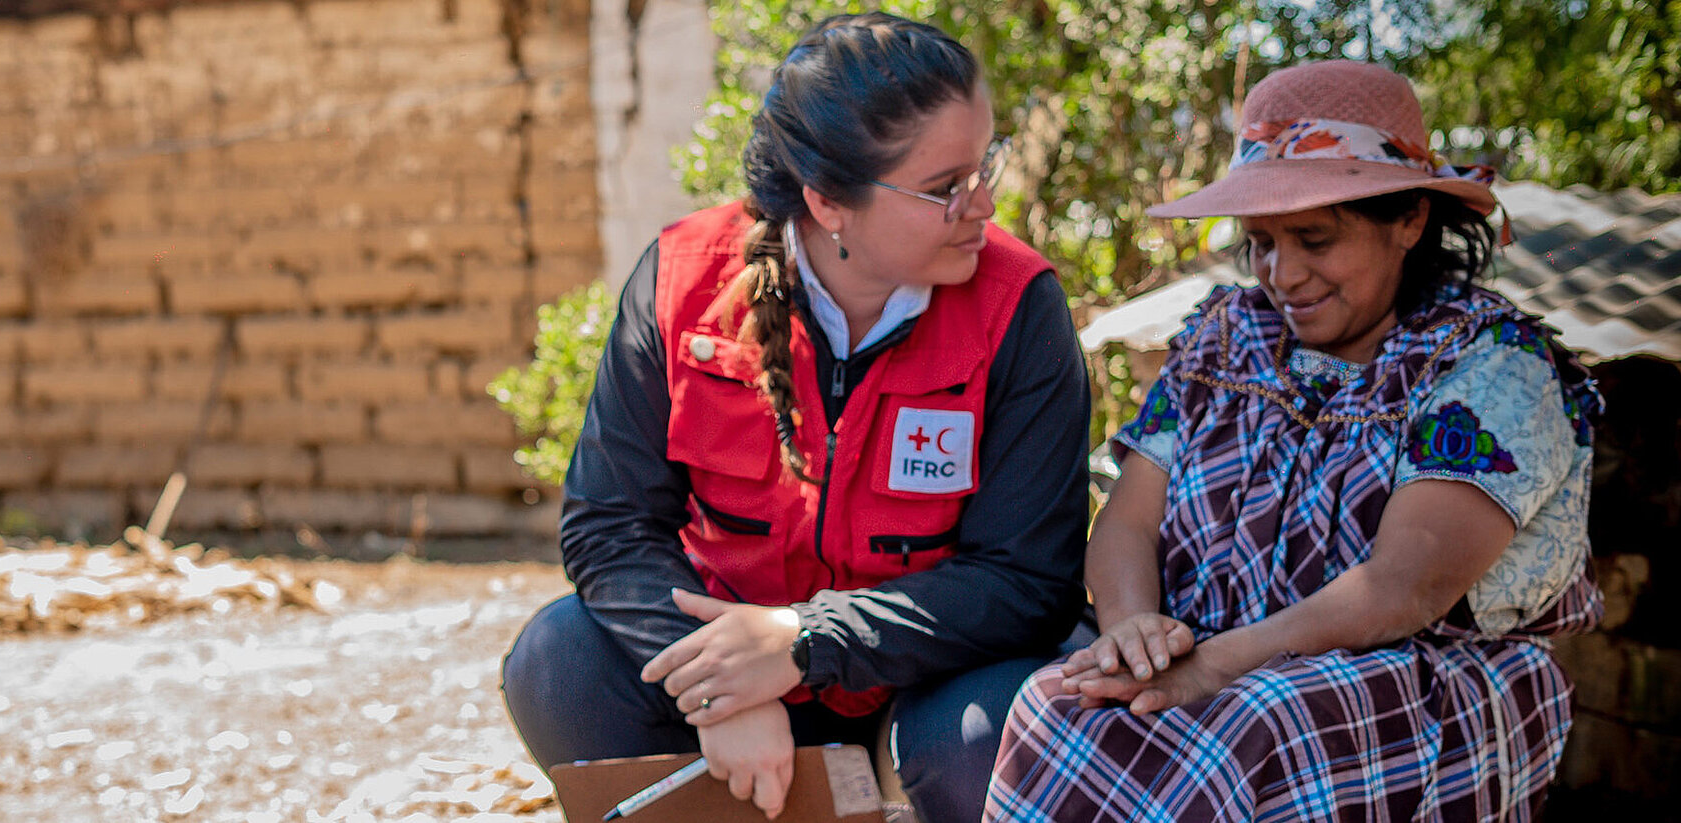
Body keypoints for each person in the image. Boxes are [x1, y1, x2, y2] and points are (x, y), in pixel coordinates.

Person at [500, 13, 1092, 823]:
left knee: (992, 731)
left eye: (984, 163)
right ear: (828, 201)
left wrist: (806, 639)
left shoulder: (1019, 305)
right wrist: (722, 692)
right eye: (944, 186)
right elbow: (609, 523)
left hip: (925, 680)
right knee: (557, 658)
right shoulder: (681, 279)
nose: (983, 203)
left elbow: (1030, 579)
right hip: (736, 676)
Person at [986, 60, 1603, 822]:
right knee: (1056, 702)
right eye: (1261, 243)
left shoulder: (1491, 367)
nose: (1283, 273)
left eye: (1314, 237)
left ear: (1409, 219)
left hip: (1408, 677)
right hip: (1210, 655)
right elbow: (1128, 520)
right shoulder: (1223, 341)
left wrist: (1214, 664)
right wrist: (1134, 634)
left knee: (1252, 728)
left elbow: (1402, 585)